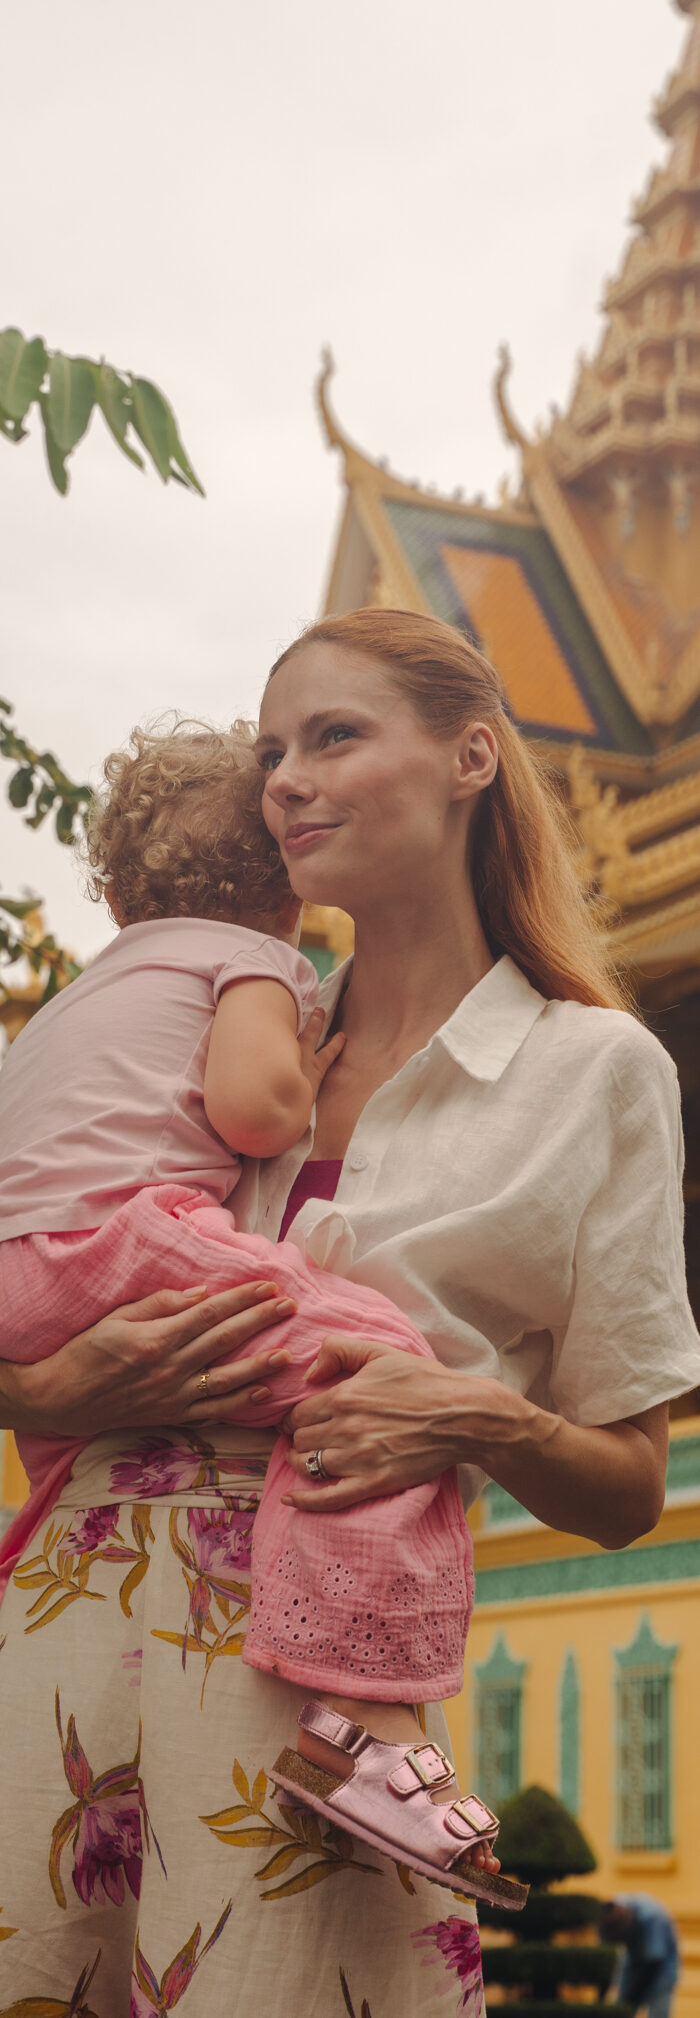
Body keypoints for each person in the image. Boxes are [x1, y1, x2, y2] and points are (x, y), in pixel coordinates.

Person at [0, 608, 698, 2018]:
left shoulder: (595, 1069)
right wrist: (44, 1392)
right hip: (64, 1627)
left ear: (471, 758)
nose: (285, 781)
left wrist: (475, 1412)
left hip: (316, 1708)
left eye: (335, 736)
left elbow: (630, 1483)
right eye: (270, 751)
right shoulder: (226, 1019)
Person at [0, 717, 510, 1912]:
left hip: (26, 1284)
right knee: (378, 1364)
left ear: (119, 889)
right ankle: (366, 1732)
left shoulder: (85, 994)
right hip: (119, 1245)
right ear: (286, 889)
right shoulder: (248, 963)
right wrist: (306, 1049)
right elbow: (256, 1112)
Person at [601, 1897, 680, 2018]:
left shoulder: (652, 1918)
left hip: (661, 1971)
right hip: (633, 1963)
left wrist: (631, 1997)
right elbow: (604, 1956)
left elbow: (654, 1962)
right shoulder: (608, 1913)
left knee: (657, 2012)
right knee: (621, 2010)